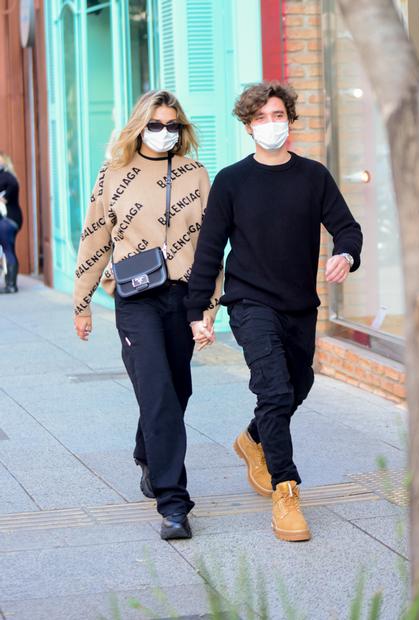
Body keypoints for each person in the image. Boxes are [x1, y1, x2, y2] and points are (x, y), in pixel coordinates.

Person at [185, 81, 363, 542]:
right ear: (247, 126)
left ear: (290, 119)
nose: (271, 124)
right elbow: (209, 251)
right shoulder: (231, 181)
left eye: (278, 115)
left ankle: (252, 439)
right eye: (261, 118)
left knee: (297, 384)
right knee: (276, 391)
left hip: (300, 305)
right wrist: (198, 310)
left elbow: (347, 227)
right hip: (249, 303)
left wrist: (345, 253)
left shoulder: (313, 177)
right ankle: (286, 491)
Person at [73, 90, 222, 540]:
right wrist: (81, 304)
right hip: (136, 299)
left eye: (172, 125)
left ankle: (146, 452)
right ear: (139, 126)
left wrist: (208, 309)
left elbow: (211, 247)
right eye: (155, 125)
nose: (164, 133)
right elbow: (95, 239)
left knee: (177, 390)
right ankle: (173, 503)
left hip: (184, 297)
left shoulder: (196, 175)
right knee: (157, 391)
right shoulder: (113, 174)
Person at [0, 151, 23, 294]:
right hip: (11, 221)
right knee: (9, 249)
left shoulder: (7, 177)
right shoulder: (8, 177)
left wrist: (4, 197)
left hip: (8, 221)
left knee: (8, 249)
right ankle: (10, 283)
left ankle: (11, 285)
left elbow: (13, 186)